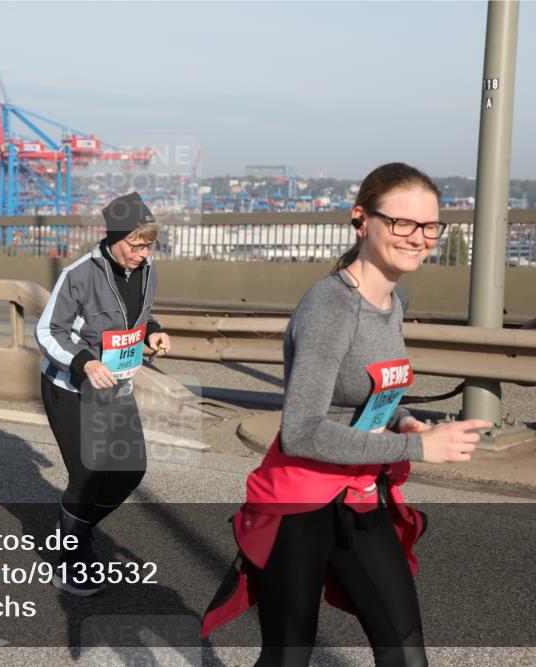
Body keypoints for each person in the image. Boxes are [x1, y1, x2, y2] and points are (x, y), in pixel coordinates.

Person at [201, 163, 492, 665]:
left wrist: (402, 420)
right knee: (288, 658)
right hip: (300, 502)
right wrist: (418, 448)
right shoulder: (329, 308)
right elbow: (301, 432)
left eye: (429, 226)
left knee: (406, 653)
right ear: (362, 219)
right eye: (401, 223)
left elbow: (365, 393)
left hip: (359, 493)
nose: (417, 238)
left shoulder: (394, 298)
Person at [35, 191, 172, 596]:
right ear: (114, 236)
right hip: (70, 388)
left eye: (149, 245)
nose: (144, 253)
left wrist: (153, 332)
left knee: (131, 471)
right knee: (89, 474)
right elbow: (48, 331)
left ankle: (73, 530)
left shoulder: (147, 270)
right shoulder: (79, 274)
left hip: (117, 386)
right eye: (137, 244)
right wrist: (85, 363)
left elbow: (137, 318)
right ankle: (72, 558)